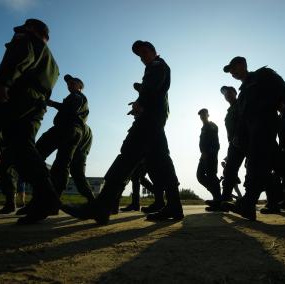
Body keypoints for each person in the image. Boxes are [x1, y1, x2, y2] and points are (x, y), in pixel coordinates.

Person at [62, 40, 184, 224]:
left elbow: (152, 87)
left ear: (153, 51)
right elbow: (152, 90)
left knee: (127, 157)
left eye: (143, 52)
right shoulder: (156, 67)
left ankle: (101, 207)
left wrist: (140, 102)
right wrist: (140, 101)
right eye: (139, 55)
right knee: (161, 161)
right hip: (154, 120)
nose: (142, 57)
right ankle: (174, 206)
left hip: (149, 121)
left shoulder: (157, 65)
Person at [0, 19, 60, 224]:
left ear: (32, 29)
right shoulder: (53, 64)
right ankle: (47, 197)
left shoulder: (28, 40)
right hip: (34, 104)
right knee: (22, 148)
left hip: (11, 93)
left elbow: (19, 57)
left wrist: (2, 82)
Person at [221, 56, 285, 220]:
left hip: (265, 125)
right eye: (230, 71)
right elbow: (242, 120)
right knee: (284, 167)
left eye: (234, 68)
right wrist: (238, 138)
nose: (232, 73)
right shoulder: (243, 92)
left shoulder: (263, 75)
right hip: (252, 133)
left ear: (243, 65)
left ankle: (248, 204)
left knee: (256, 164)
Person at [35, 74, 95, 204]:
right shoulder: (75, 99)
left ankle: (45, 198)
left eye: (73, 83)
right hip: (69, 131)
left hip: (66, 129)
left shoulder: (77, 97)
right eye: (68, 84)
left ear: (80, 86)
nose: (69, 85)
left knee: (41, 156)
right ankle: (52, 200)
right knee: (62, 165)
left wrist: (52, 103)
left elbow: (70, 109)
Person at [219, 86, 246, 202]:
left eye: (229, 92)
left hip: (247, 140)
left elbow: (244, 119)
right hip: (234, 144)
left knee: (258, 168)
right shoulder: (230, 111)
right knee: (229, 170)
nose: (227, 95)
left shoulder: (242, 104)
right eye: (225, 94)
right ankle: (224, 200)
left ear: (235, 93)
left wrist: (238, 135)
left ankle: (273, 200)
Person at [196, 108, 221, 211]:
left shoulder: (212, 126)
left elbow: (216, 143)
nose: (202, 116)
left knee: (211, 176)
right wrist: (203, 153)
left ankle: (218, 201)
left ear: (208, 115)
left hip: (210, 156)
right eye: (201, 115)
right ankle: (217, 197)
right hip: (204, 156)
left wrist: (209, 153)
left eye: (204, 114)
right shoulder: (203, 128)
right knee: (200, 176)